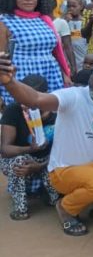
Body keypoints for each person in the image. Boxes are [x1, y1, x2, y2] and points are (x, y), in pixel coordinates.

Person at [0, 57, 93, 236]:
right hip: (64, 171)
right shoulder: (73, 96)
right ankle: (66, 208)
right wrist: (9, 82)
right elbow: (35, 99)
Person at [0, 0, 71, 105]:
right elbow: (1, 58)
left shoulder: (44, 19)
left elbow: (55, 52)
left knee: (50, 112)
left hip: (51, 73)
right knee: (24, 113)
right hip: (21, 76)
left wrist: (65, 75)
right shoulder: (4, 21)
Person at [0, 74, 58, 219]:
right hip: (21, 158)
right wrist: (30, 149)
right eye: (23, 97)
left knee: (55, 170)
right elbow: (5, 150)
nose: (26, 102)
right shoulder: (13, 110)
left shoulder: (57, 114)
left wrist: (41, 165)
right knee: (20, 162)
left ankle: (55, 200)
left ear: (44, 96)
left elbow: (64, 151)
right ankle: (21, 209)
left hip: (48, 161)